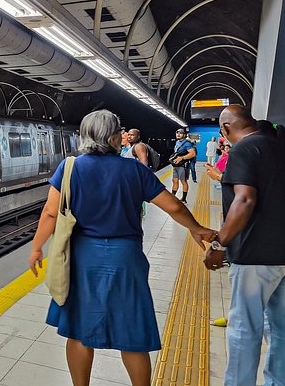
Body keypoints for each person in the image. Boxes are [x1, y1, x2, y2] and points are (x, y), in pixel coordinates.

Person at [29, 110, 215, 386]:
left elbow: (50, 213)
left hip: (83, 257)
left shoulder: (70, 168)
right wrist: (196, 228)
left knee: (79, 330)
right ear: (115, 137)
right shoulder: (134, 169)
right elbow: (174, 205)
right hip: (125, 257)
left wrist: (36, 248)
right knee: (133, 330)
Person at [202, 105, 285, 386]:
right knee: (282, 331)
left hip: (254, 257)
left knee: (244, 331)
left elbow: (245, 200)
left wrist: (219, 243)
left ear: (225, 129)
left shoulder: (243, 150)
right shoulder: (279, 147)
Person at [171, 128, 196, 203]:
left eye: (180, 133)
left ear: (184, 135)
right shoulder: (177, 142)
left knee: (183, 181)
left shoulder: (187, 143)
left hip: (183, 166)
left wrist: (182, 158)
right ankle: (172, 198)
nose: (178, 134)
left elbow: (193, 153)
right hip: (176, 165)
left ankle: (184, 199)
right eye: (177, 133)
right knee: (174, 181)